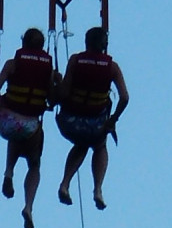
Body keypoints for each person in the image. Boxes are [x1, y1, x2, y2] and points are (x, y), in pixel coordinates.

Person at [0, 27, 59, 228]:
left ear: (23, 44)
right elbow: (53, 101)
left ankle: (8, 172)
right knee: (34, 164)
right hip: (30, 125)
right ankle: (28, 206)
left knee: (14, 130)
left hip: (6, 124)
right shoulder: (48, 71)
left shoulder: (12, 64)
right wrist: (56, 82)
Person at [55, 25, 129, 210]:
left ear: (86, 43)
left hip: (70, 122)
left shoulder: (75, 61)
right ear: (104, 45)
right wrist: (113, 119)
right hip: (96, 126)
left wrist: (56, 82)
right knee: (99, 144)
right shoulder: (112, 67)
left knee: (81, 144)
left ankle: (65, 183)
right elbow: (124, 97)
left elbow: (63, 93)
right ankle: (97, 189)